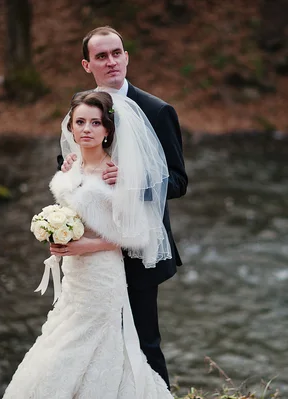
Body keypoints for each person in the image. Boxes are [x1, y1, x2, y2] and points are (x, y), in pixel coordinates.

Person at [3, 91, 174, 398]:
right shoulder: (70, 168)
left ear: (107, 130)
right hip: (74, 274)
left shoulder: (117, 175)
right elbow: (73, 216)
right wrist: (57, 235)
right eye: (80, 121)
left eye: (95, 123)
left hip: (103, 275)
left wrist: (87, 246)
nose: (86, 129)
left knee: (85, 341)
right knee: (63, 334)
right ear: (70, 127)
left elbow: (138, 236)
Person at [56, 26, 187, 386]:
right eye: (101, 56)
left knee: (144, 343)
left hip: (139, 250)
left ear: (126, 57)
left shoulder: (158, 112)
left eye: (116, 53)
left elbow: (178, 182)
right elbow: (71, 160)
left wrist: (131, 182)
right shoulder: (81, 108)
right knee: (95, 343)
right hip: (91, 256)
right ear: (87, 65)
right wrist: (68, 168)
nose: (111, 61)